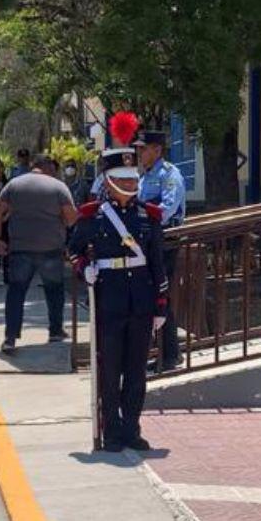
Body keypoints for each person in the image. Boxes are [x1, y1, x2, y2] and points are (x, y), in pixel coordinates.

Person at [68, 119, 168, 452]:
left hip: (140, 302)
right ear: (109, 182)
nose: (130, 183)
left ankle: (131, 429)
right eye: (122, 179)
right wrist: (86, 270)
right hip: (109, 300)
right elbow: (73, 252)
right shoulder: (92, 216)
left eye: (132, 178)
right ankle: (111, 432)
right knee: (109, 371)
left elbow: (157, 263)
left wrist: (161, 306)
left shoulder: (147, 216)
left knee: (136, 372)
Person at [0, 155, 78, 353]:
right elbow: (72, 216)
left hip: (20, 248)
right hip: (50, 248)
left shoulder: (14, 185)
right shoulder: (58, 187)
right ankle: (55, 331)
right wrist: (62, 223)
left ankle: (10, 337)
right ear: (47, 167)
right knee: (54, 290)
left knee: (16, 292)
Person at [136, 126, 187, 372]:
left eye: (143, 148)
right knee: (153, 297)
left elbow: (166, 210)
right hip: (149, 242)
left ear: (157, 150)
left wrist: (143, 221)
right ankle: (166, 352)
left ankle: (170, 355)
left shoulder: (169, 174)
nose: (140, 152)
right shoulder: (144, 176)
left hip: (164, 242)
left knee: (161, 296)